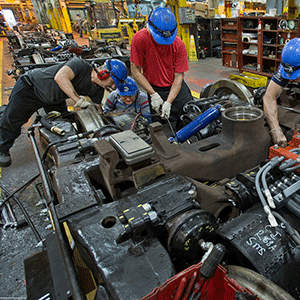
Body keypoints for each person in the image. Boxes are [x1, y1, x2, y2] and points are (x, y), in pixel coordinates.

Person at [0, 57, 128, 167]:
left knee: (61, 124)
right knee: (13, 120)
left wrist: (104, 122)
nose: (112, 87)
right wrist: (77, 100)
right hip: (31, 89)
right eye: (112, 83)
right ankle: (2, 148)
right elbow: (60, 77)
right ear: (104, 74)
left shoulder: (98, 87)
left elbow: (97, 107)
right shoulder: (79, 64)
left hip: (55, 98)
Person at [130, 7, 193, 123]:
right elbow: (135, 71)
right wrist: (153, 94)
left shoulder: (179, 45)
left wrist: (168, 102)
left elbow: (179, 76)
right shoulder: (139, 40)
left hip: (176, 87)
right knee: (161, 126)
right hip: (154, 89)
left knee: (190, 117)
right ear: (148, 27)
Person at [263, 37, 300, 148]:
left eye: (296, 76)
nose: (292, 80)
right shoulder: (290, 62)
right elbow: (269, 97)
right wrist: (275, 130)